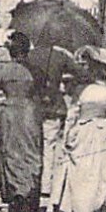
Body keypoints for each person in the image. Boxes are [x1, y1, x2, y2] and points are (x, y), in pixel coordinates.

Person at [50, 46, 106, 212]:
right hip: (102, 133)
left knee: (79, 170)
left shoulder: (82, 92)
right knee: (99, 172)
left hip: (82, 131)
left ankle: (73, 207)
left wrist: (68, 135)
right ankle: (94, 210)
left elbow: (72, 116)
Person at [0, 32, 43, 212]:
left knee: (11, 153)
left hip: (9, 112)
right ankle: (31, 195)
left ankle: (17, 196)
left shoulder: (2, 70)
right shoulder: (35, 70)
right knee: (32, 151)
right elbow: (44, 92)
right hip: (30, 112)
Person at [24, 40, 80, 201]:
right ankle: (46, 185)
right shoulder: (61, 56)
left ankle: (31, 180)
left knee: (33, 144)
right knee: (50, 146)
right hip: (53, 105)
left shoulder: (30, 55)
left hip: (33, 104)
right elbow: (79, 73)